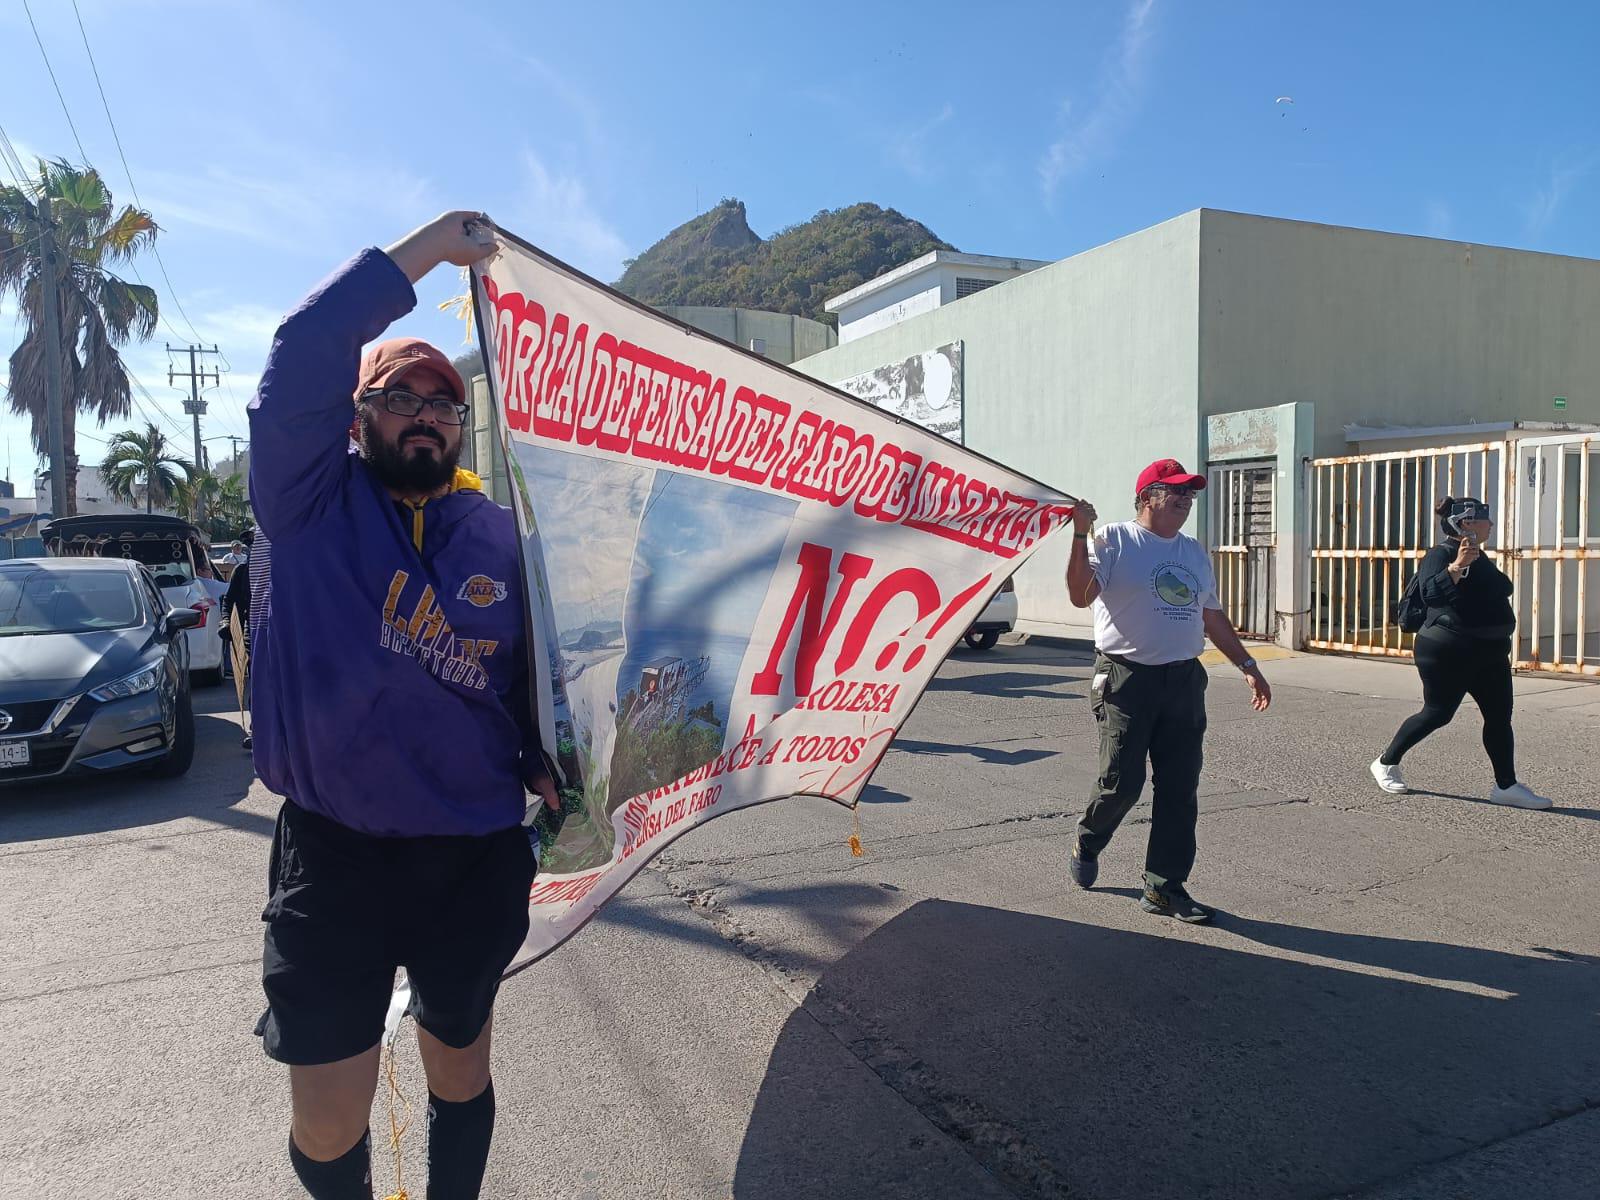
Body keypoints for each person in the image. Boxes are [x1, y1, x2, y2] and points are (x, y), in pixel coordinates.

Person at [248, 211, 558, 1200]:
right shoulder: (303, 505)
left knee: (459, 1067)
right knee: (329, 1120)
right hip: (334, 857)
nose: (424, 414)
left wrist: (550, 757)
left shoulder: (500, 536)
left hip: (470, 854)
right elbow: (303, 345)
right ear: (356, 416)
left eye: (444, 402)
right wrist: (431, 248)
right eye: (397, 397)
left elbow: (524, 685)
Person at [1064, 458, 1272, 923]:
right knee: (1123, 783)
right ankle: (1089, 837)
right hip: (1126, 678)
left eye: (1190, 492)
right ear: (1146, 497)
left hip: (1183, 680)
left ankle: (1163, 887)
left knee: (1179, 789)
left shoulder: (1194, 552)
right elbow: (1080, 595)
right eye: (1174, 490)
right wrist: (1079, 535)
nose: (1185, 498)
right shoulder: (1113, 539)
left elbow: (1210, 614)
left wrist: (1247, 663)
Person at [1370, 497, 1550, 809]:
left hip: (1489, 653)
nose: (1491, 525)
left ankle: (1506, 786)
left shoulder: (1478, 555)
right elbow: (1431, 594)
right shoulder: (1440, 555)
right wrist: (1456, 567)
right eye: (1485, 519)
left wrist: (1472, 563)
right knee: (1438, 713)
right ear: (1466, 523)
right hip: (1446, 652)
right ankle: (1386, 762)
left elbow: (1501, 587)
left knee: (1499, 717)